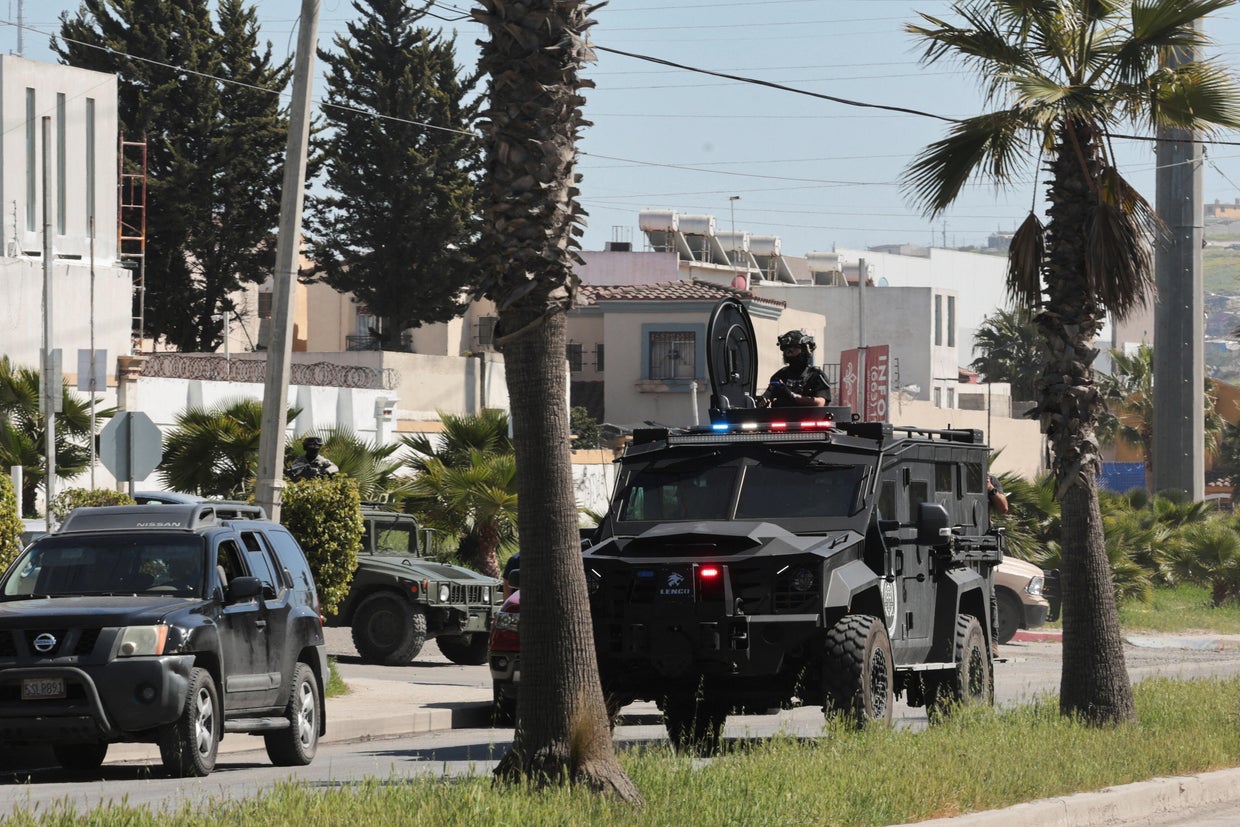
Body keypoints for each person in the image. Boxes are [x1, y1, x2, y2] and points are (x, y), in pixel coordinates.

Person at [761, 330, 832, 407]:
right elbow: (765, 398)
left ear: (805, 350)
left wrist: (792, 396)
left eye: (793, 348)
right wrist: (762, 401)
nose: (788, 352)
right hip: (782, 417)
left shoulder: (816, 375)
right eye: (786, 349)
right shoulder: (779, 376)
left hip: (807, 417)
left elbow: (820, 403)